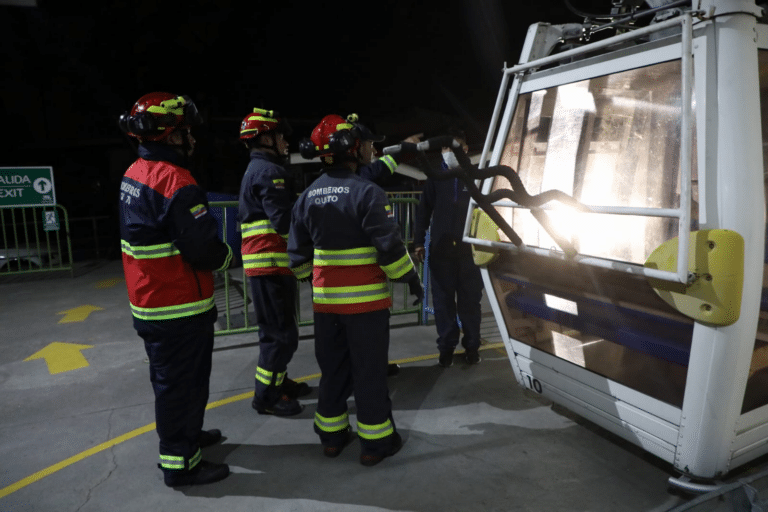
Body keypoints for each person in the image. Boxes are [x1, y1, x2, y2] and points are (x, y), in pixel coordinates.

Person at [289, 114, 423, 466]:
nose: (372, 149)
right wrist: (411, 279)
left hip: (325, 306)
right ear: (352, 148)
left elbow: (297, 256)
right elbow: (390, 248)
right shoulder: (367, 192)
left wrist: (311, 280)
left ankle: (332, 438)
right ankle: (376, 443)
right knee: (369, 372)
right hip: (365, 306)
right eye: (367, 143)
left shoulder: (307, 196)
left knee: (333, 371)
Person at [117, 92, 233, 487]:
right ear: (169, 135)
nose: (193, 140)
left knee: (182, 382)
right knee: (179, 386)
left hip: (153, 302)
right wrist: (227, 257)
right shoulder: (176, 182)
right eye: (187, 132)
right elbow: (203, 251)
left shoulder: (135, 172)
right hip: (178, 307)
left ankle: (189, 436)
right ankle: (180, 464)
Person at [237, 108, 310, 417]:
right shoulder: (270, 172)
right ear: (265, 138)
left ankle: (277, 382)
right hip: (270, 264)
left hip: (266, 264)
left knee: (278, 331)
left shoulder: (258, 169)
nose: (284, 141)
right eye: (280, 136)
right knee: (281, 334)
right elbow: (283, 222)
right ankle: (266, 396)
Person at [414, 128, 484, 368]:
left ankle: (472, 347)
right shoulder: (435, 177)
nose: (447, 152)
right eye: (444, 148)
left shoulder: (476, 176)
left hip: (469, 253)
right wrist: (417, 241)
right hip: (441, 252)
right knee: (443, 303)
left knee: (470, 302)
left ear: (465, 150)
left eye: (452, 147)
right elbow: (423, 211)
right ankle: (446, 349)